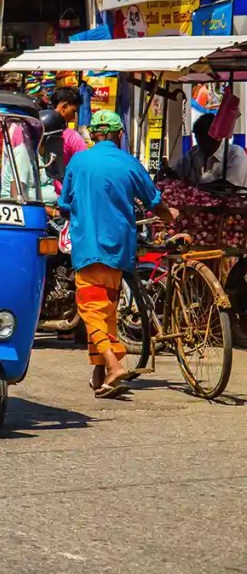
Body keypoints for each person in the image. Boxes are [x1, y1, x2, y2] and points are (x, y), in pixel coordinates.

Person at [57, 110, 178, 398]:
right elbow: (155, 202)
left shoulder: (79, 160)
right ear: (119, 135)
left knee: (91, 310)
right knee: (106, 309)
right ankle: (101, 374)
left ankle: (112, 366)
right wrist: (170, 216)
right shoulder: (129, 162)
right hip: (119, 248)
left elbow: (64, 204)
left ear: (93, 135)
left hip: (88, 247)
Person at [173, 113, 247, 188]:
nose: (200, 144)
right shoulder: (193, 153)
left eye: (204, 139)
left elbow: (230, 186)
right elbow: (177, 172)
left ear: (217, 137)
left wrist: (197, 188)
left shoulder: (235, 154)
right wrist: (169, 173)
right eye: (198, 139)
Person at [41, 87, 87, 188]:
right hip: (61, 195)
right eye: (73, 111)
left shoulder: (32, 129)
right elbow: (84, 167)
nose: (74, 117)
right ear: (64, 106)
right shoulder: (72, 137)